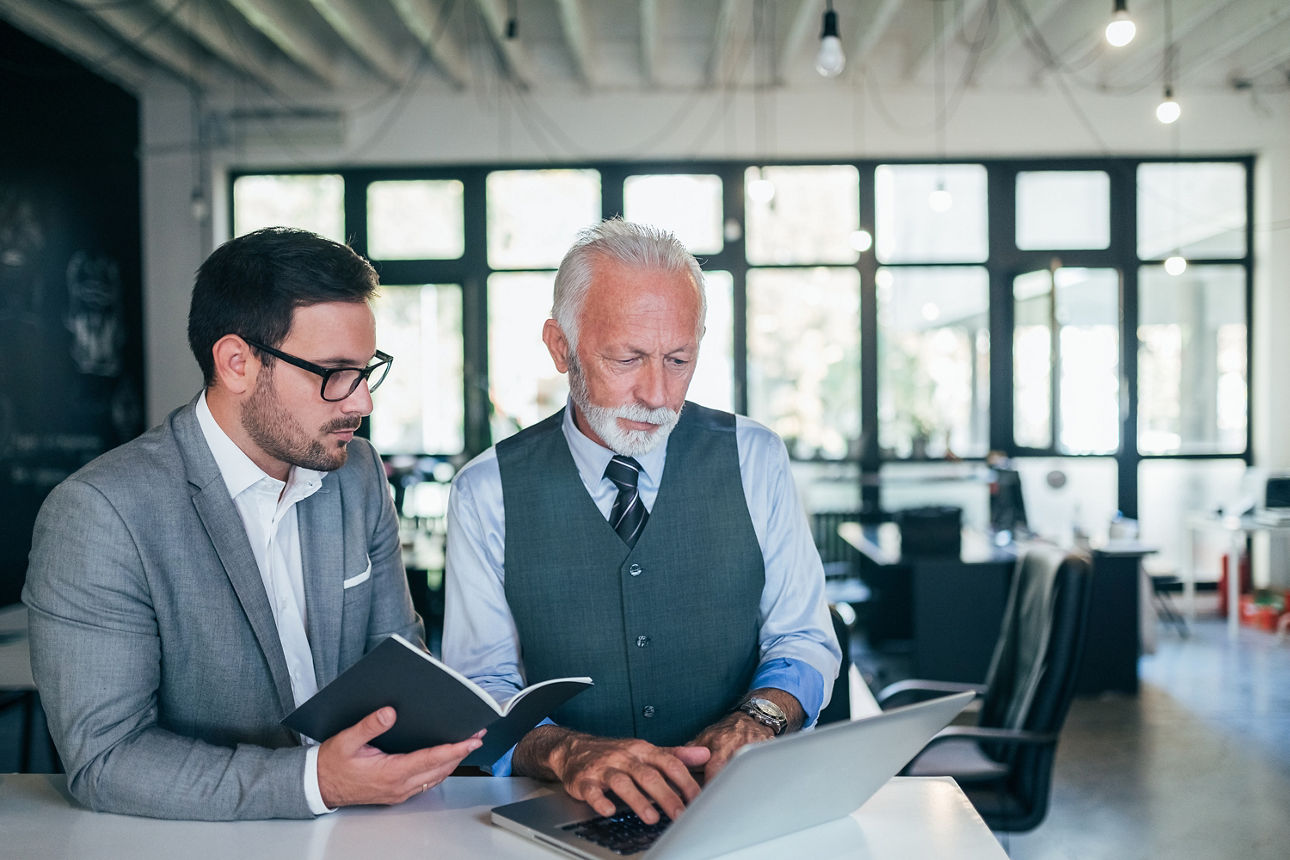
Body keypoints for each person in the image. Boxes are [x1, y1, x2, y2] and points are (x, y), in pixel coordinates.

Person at [23, 227, 482, 820]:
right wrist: (317, 783)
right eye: (335, 373)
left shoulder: (356, 473)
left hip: (369, 828)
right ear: (237, 363)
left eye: (368, 370)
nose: (362, 402)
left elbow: (395, 660)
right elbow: (107, 761)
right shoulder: (100, 514)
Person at [443, 219, 842, 825]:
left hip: (731, 808)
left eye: (679, 359)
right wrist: (563, 749)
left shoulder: (755, 458)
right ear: (560, 347)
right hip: (562, 810)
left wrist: (759, 718)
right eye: (627, 358)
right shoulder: (485, 490)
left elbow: (804, 636)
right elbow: (482, 686)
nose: (658, 394)